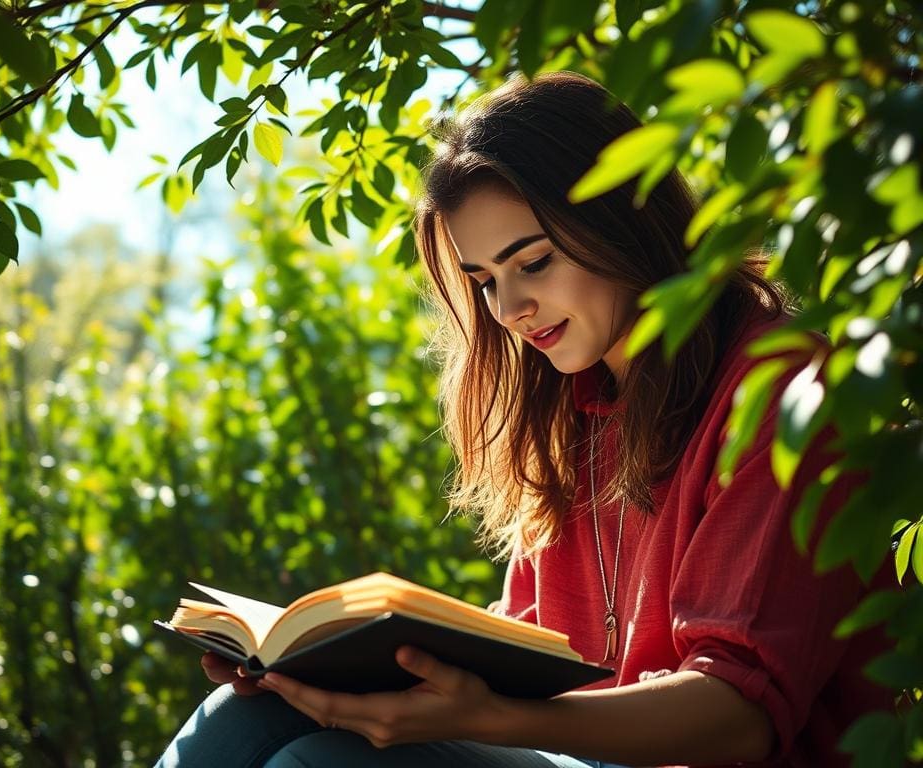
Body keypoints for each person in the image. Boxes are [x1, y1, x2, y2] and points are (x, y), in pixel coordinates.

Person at [154, 71, 892, 768]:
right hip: (569, 752)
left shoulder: (786, 389)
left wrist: (484, 719)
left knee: (315, 762)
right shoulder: (573, 415)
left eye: (532, 263)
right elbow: (526, 655)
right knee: (249, 715)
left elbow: (739, 713)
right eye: (485, 283)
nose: (509, 311)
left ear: (623, 221)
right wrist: (333, 670)